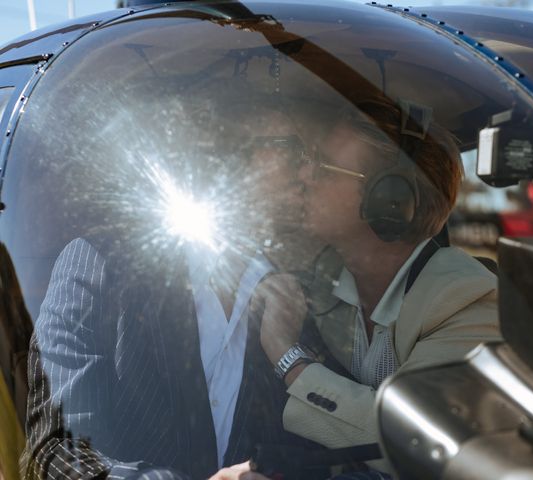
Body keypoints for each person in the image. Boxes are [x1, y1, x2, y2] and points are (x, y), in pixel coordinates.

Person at [21, 102, 310, 480]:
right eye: (293, 150)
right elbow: (53, 453)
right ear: (233, 154)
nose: (309, 171)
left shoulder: (300, 294)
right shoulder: (99, 265)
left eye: (315, 155)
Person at [258, 97, 502, 457]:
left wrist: (287, 357)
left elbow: (420, 443)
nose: (303, 176)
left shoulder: (468, 301)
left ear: (389, 201)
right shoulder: (325, 284)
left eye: (323, 167)